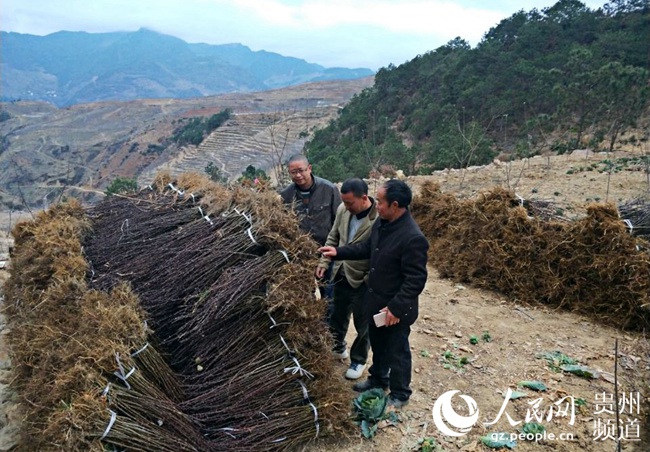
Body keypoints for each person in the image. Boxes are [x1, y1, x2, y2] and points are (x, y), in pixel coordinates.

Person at [319, 179, 429, 408]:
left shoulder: (412, 237)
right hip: (376, 299)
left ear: (395, 205)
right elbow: (366, 249)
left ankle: (400, 393)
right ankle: (378, 380)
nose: (375, 205)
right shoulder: (383, 223)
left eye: (379, 201)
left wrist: (396, 307)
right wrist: (337, 252)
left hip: (395, 308)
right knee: (378, 344)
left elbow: (416, 279)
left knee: (397, 350)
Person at [316, 178, 377, 380]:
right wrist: (324, 263)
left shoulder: (378, 219)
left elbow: (377, 253)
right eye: (344, 202)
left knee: (363, 322)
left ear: (364, 198)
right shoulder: (343, 210)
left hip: (362, 279)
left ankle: (359, 360)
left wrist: (370, 279)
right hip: (340, 272)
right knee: (337, 314)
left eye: (350, 202)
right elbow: (333, 237)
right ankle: (337, 346)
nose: (346, 206)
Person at [280, 154, 341, 246]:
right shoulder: (286, 195)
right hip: (301, 249)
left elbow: (339, 219)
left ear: (309, 168)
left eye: (301, 171)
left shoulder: (329, 189)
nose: (298, 175)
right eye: (293, 172)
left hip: (328, 246)